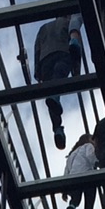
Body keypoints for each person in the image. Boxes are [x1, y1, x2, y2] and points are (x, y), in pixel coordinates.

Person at [31, 12, 85, 148]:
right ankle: (55, 99)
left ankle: (57, 128)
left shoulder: (44, 27)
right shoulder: (69, 23)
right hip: (62, 53)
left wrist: (37, 71)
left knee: (51, 91)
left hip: (45, 61)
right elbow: (76, 47)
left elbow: (37, 48)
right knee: (59, 75)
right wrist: (76, 73)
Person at [63, 134, 100, 209]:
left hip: (73, 178)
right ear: (89, 140)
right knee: (89, 206)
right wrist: (99, 162)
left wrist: (64, 189)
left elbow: (66, 171)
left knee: (76, 198)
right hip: (88, 177)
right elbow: (91, 157)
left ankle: (72, 206)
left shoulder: (72, 154)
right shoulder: (88, 146)